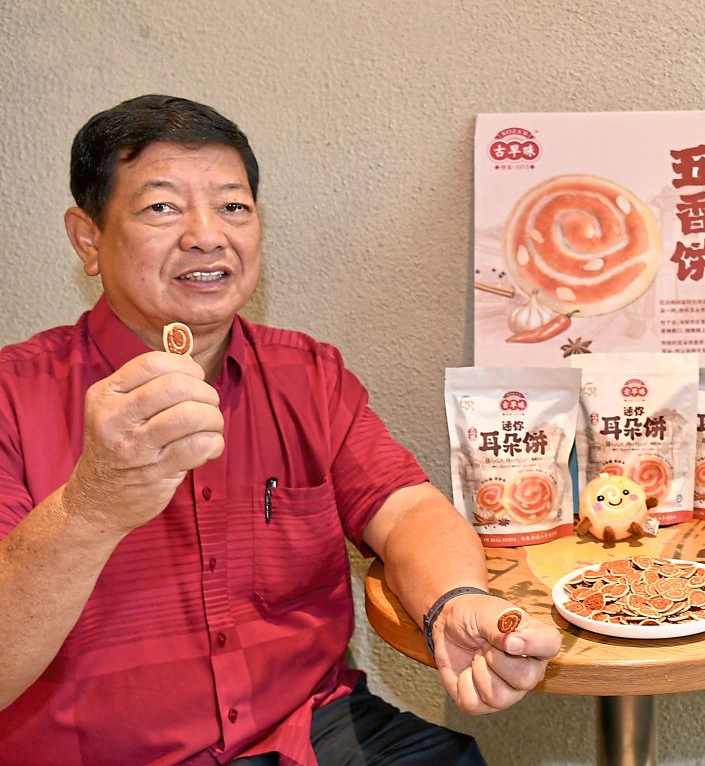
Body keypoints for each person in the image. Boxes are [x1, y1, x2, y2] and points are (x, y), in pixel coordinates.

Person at [0, 95, 561, 765]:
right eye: (162, 207)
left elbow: (405, 508)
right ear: (88, 239)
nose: (207, 234)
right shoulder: (13, 395)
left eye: (233, 206)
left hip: (305, 731)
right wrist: (90, 507)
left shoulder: (306, 374)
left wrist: (454, 602)